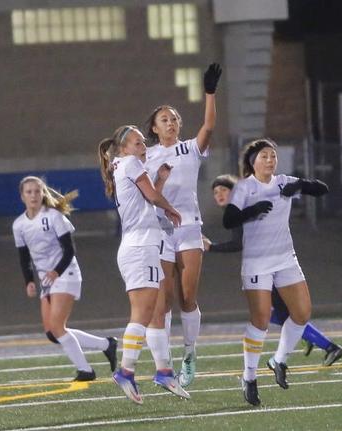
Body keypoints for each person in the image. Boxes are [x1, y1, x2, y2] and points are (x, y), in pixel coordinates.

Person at [222, 139, 329, 406]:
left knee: (302, 314)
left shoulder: (284, 182)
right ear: (252, 162)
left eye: (273, 156)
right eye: (264, 156)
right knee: (260, 321)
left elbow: (322, 189)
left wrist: (302, 185)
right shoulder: (245, 187)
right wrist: (252, 210)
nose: (270, 160)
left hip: (285, 259)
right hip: (257, 263)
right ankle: (249, 377)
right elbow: (228, 220)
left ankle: (278, 360)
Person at [204, 174, 342, 367]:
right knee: (279, 314)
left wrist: (211, 247)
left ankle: (328, 346)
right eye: (215, 192)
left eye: (224, 190)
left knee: (282, 315)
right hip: (268, 268)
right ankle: (313, 339)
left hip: (272, 268)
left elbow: (238, 244)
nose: (219, 194)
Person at [142, 62, 222, 388]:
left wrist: (210, 92)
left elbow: (210, 126)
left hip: (189, 227)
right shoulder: (144, 156)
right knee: (163, 301)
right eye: (165, 119)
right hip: (159, 231)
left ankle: (190, 354)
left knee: (188, 296)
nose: (172, 122)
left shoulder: (189, 148)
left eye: (175, 118)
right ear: (154, 128)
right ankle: (165, 363)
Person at [97, 125, 189, 404]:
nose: (143, 147)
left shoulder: (123, 165)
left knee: (151, 313)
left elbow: (146, 199)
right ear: (124, 148)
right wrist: (172, 207)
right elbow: (152, 197)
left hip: (139, 246)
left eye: (142, 143)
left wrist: (159, 180)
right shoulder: (131, 163)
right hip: (140, 248)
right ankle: (126, 371)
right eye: (137, 143)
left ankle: (163, 371)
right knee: (142, 313)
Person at [12, 176, 117, 382]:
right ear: (22, 196)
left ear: (43, 194)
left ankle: (85, 370)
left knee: (58, 327)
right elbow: (24, 256)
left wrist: (56, 271)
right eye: (29, 192)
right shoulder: (19, 225)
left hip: (66, 273)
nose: (33, 195)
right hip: (47, 280)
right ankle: (106, 344)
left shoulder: (53, 216)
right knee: (52, 333)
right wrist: (29, 281)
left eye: (37, 191)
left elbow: (69, 249)